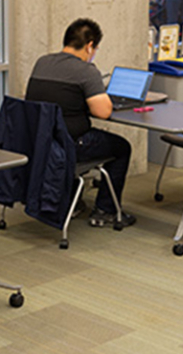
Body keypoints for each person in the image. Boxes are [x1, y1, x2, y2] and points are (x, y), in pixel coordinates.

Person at [25, 18, 135, 228]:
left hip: (41, 142)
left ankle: (71, 204)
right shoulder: (86, 71)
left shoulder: (42, 62)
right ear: (90, 45)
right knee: (122, 147)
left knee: (85, 138)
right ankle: (106, 210)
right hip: (70, 144)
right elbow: (103, 112)